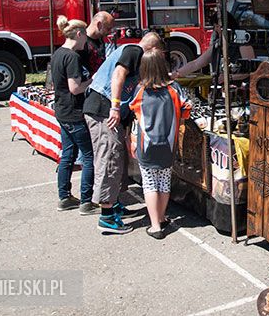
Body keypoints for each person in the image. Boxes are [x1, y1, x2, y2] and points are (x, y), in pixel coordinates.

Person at [84, 31, 164, 234]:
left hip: (110, 112)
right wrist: (115, 107)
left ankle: (114, 203)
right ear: (153, 49)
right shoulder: (134, 50)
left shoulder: (136, 57)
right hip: (103, 110)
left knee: (117, 158)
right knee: (109, 158)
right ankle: (107, 216)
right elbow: (118, 74)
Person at [129, 47, 192, 239]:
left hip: (146, 145)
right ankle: (162, 217)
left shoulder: (140, 90)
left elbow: (133, 112)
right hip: (168, 144)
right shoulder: (175, 89)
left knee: (149, 184)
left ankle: (155, 225)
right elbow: (187, 108)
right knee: (164, 182)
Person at [51, 16, 98, 215]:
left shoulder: (57, 53)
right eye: (85, 37)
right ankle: (86, 201)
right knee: (88, 156)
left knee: (67, 156)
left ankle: (64, 197)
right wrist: (92, 80)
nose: (86, 41)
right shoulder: (72, 57)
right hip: (74, 113)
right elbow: (75, 88)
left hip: (62, 111)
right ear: (78, 34)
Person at [173, 14, 255, 79]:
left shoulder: (243, 44)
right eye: (215, 26)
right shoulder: (217, 45)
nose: (216, 29)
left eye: (218, 26)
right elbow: (196, 64)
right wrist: (177, 73)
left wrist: (230, 78)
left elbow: (249, 71)